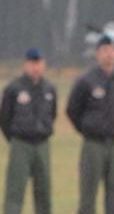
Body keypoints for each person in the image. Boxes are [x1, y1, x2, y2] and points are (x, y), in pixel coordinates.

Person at [67, 35, 114, 214]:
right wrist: (87, 128)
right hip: (93, 144)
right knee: (88, 192)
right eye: (104, 51)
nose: (109, 55)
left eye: (112, 51)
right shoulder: (86, 81)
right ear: (97, 54)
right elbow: (73, 110)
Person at [1, 49, 56, 214]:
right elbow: (5, 118)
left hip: (42, 144)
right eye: (32, 63)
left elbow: (52, 114)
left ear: (44, 64)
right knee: (15, 191)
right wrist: (15, 138)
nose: (36, 67)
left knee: (44, 192)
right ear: (25, 64)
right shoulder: (14, 88)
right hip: (20, 144)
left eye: (39, 63)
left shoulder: (49, 89)